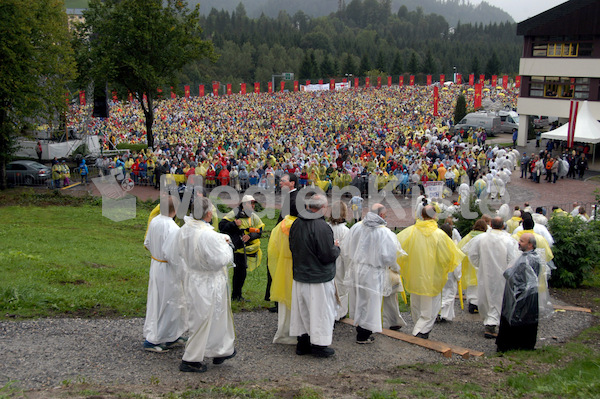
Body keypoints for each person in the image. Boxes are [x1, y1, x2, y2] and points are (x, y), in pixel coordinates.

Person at [166, 197, 236, 373]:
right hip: (208, 280)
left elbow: (173, 251)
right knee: (202, 318)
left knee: (215, 316)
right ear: (209, 213)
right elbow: (220, 259)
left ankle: (220, 350)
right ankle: (190, 359)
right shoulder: (208, 235)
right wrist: (226, 245)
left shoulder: (185, 229)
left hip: (194, 277)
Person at [342, 203, 407, 344]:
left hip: (357, 269)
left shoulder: (357, 227)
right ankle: (364, 333)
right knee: (371, 302)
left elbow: (346, 248)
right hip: (373, 272)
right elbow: (389, 256)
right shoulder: (384, 233)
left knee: (359, 299)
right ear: (382, 215)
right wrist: (394, 267)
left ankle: (360, 326)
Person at [396, 205, 465, 339]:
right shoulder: (440, 235)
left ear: (422, 215)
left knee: (416, 302)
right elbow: (450, 256)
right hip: (432, 276)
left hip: (414, 274)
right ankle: (421, 330)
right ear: (434, 216)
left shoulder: (410, 231)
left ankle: (419, 326)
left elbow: (397, 247)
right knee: (431, 306)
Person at [289, 194, 340, 357]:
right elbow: (326, 255)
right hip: (318, 276)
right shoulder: (321, 227)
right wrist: (336, 248)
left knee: (302, 310)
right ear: (323, 208)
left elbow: (292, 246)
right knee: (320, 312)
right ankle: (319, 344)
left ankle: (302, 343)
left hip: (301, 273)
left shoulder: (296, 223)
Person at [464, 217, 519, 339]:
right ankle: (492, 323)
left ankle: (489, 320)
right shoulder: (508, 240)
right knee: (499, 298)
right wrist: (508, 270)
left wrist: (480, 265)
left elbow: (472, 254)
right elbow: (512, 258)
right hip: (502, 274)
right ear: (503, 225)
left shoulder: (480, 238)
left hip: (485, 272)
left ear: (491, 224)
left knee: (485, 296)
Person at [143, 199, 186, 352]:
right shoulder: (173, 228)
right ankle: (154, 338)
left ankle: (171, 334)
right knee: (167, 302)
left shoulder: (154, 221)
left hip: (156, 265)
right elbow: (174, 254)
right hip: (168, 269)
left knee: (160, 300)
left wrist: (157, 253)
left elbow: (147, 243)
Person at [496, 233, 545, 352]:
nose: (519, 242)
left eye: (522, 241)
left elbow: (521, 278)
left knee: (518, 319)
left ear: (530, 245)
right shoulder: (527, 257)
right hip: (519, 295)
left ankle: (513, 345)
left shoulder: (529, 260)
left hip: (522, 296)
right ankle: (521, 344)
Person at [220, 194, 264, 301]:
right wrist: (234, 224)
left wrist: (250, 236)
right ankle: (236, 295)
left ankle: (237, 295)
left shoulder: (253, 217)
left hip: (245, 249)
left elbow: (260, 231)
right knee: (239, 272)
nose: (253, 206)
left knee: (242, 273)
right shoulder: (234, 213)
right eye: (251, 203)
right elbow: (222, 227)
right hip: (236, 248)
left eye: (254, 203)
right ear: (244, 204)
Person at [265, 173, 299, 311]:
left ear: (292, 183)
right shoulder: (290, 197)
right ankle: (278, 301)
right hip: (280, 239)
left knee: (281, 270)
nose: (280, 183)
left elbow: (294, 223)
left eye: (283, 181)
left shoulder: (296, 199)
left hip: (286, 242)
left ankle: (281, 302)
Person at [457, 219, 488, 314]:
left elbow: (459, 250)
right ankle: (480, 305)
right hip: (484, 265)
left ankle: (472, 304)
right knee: (482, 286)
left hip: (470, 266)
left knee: (472, 287)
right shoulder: (486, 237)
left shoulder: (467, 237)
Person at [328, 201, 350, 321]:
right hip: (340, 262)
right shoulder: (345, 230)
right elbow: (347, 252)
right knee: (341, 287)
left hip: (328, 260)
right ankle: (340, 313)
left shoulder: (326, 226)